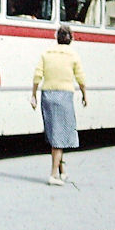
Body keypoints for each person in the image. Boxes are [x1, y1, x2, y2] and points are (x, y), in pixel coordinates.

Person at [30, 24, 87, 185]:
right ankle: (53, 175)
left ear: (57, 38)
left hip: (47, 95)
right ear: (71, 39)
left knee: (55, 134)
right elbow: (81, 78)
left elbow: (37, 75)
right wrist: (85, 95)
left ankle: (62, 171)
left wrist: (34, 94)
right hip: (64, 96)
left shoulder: (46, 53)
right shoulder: (73, 55)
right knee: (60, 136)